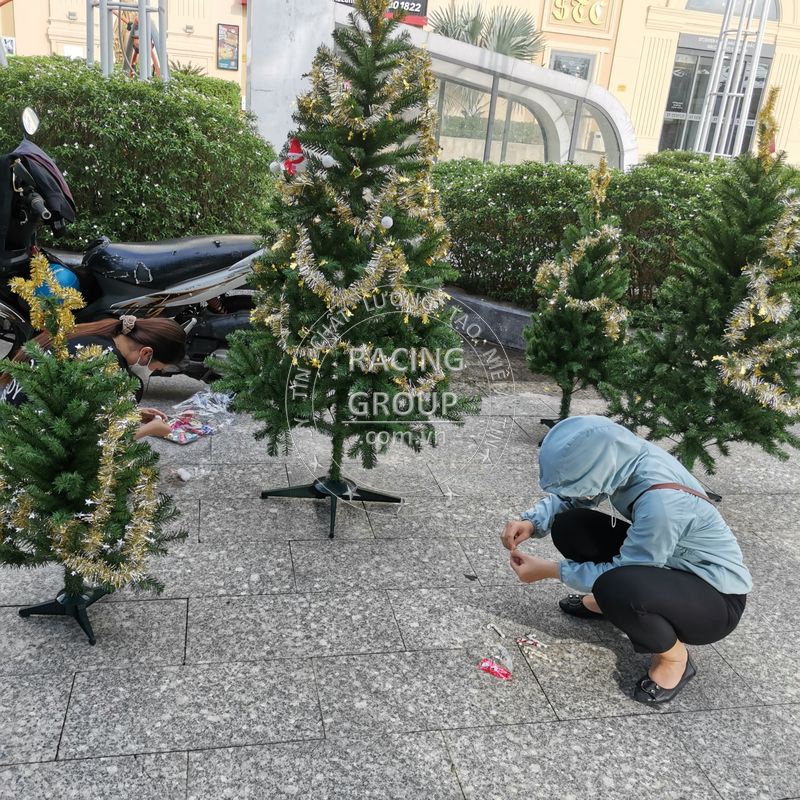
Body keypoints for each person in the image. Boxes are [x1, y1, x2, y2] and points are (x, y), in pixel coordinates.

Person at [501, 415, 752, 704]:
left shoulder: (662, 503)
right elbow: (575, 495)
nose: (571, 489)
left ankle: (674, 659)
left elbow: (627, 569)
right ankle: (609, 604)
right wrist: (532, 522)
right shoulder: (622, 455)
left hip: (714, 599)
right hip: (666, 562)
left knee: (615, 586)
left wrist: (551, 570)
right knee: (571, 525)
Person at [0, 314, 186, 439]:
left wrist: (134, 415)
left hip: (9, 422)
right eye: (156, 368)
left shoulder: (98, 334)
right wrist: (151, 430)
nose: (151, 372)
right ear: (146, 353)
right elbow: (98, 442)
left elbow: (76, 402)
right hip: (25, 450)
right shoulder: (108, 365)